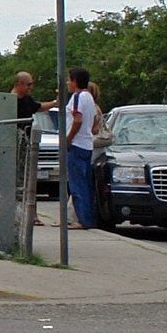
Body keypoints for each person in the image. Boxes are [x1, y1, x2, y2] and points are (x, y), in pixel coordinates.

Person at [62, 67, 99, 229]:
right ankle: (88, 217)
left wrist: (68, 138)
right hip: (87, 144)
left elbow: (77, 119)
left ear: (75, 81)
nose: (68, 83)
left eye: (69, 80)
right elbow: (95, 119)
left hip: (76, 145)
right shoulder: (89, 97)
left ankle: (82, 220)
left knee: (77, 184)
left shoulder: (77, 97)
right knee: (85, 183)